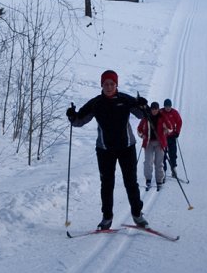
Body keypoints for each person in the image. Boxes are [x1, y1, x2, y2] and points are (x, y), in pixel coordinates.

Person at [67, 70, 149, 229]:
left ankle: (137, 214)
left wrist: (143, 105)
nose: (109, 87)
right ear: (102, 85)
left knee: (131, 182)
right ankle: (107, 217)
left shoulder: (125, 99)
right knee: (107, 184)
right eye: (106, 84)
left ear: (116, 84)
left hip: (127, 147)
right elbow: (79, 121)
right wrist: (72, 116)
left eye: (112, 84)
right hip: (105, 150)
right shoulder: (96, 103)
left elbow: (142, 114)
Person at [137, 101, 172, 191]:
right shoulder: (146, 117)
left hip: (160, 143)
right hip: (148, 143)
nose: (154, 111)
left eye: (156, 109)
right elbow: (139, 129)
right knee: (148, 162)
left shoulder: (162, 117)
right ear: (151, 109)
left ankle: (159, 180)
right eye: (153, 109)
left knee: (159, 163)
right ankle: (148, 179)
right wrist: (142, 135)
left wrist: (167, 130)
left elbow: (170, 128)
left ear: (158, 109)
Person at [160, 98, 183, 178]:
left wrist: (177, 132)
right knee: (163, 153)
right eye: (166, 106)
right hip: (162, 136)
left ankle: (173, 168)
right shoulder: (160, 112)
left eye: (169, 106)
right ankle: (163, 170)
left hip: (172, 136)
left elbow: (179, 122)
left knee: (173, 153)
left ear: (171, 106)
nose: (167, 108)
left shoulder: (174, 113)